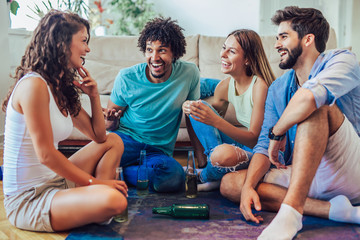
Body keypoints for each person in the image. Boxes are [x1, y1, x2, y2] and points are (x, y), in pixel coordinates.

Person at [220, 6, 360, 240]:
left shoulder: (344, 61)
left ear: (308, 39)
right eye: (277, 38)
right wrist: (247, 188)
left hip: (350, 168)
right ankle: (337, 211)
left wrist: (278, 132)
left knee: (316, 104)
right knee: (231, 185)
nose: (276, 45)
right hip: (306, 173)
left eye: (283, 37)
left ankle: (291, 212)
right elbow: (264, 146)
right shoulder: (278, 88)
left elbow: (308, 98)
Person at [2, 10, 128, 232]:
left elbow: (99, 136)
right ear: (62, 43)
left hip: (55, 181)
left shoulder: (59, 86)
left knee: (114, 140)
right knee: (116, 201)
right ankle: (98, 199)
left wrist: (94, 95)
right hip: (30, 199)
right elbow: (46, 155)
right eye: (84, 41)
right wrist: (97, 183)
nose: (88, 49)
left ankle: (94, 201)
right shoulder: (34, 86)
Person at [104, 17, 200, 193]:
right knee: (97, 156)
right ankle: (114, 171)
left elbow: (193, 117)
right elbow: (110, 126)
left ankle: (119, 173)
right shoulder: (127, 77)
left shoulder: (189, 73)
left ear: (174, 53)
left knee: (173, 177)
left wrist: (199, 155)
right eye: (149, 50)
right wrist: (110, 120)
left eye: (162, 50)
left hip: (158, 151)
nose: (154, 58)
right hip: (126, 141)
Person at [183, 29, 275, 191]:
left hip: (262, 151)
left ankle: (204, 176)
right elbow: (208, 125)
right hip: (238, 147)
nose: (223, 54)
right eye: (223, 48)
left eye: (231, 51)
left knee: (222, 155)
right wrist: (190, 108)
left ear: (247, 59)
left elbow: (254, 139)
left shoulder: (260, 86)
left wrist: (216, 121)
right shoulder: (225, 86)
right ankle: (214, 167)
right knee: (198, 107)